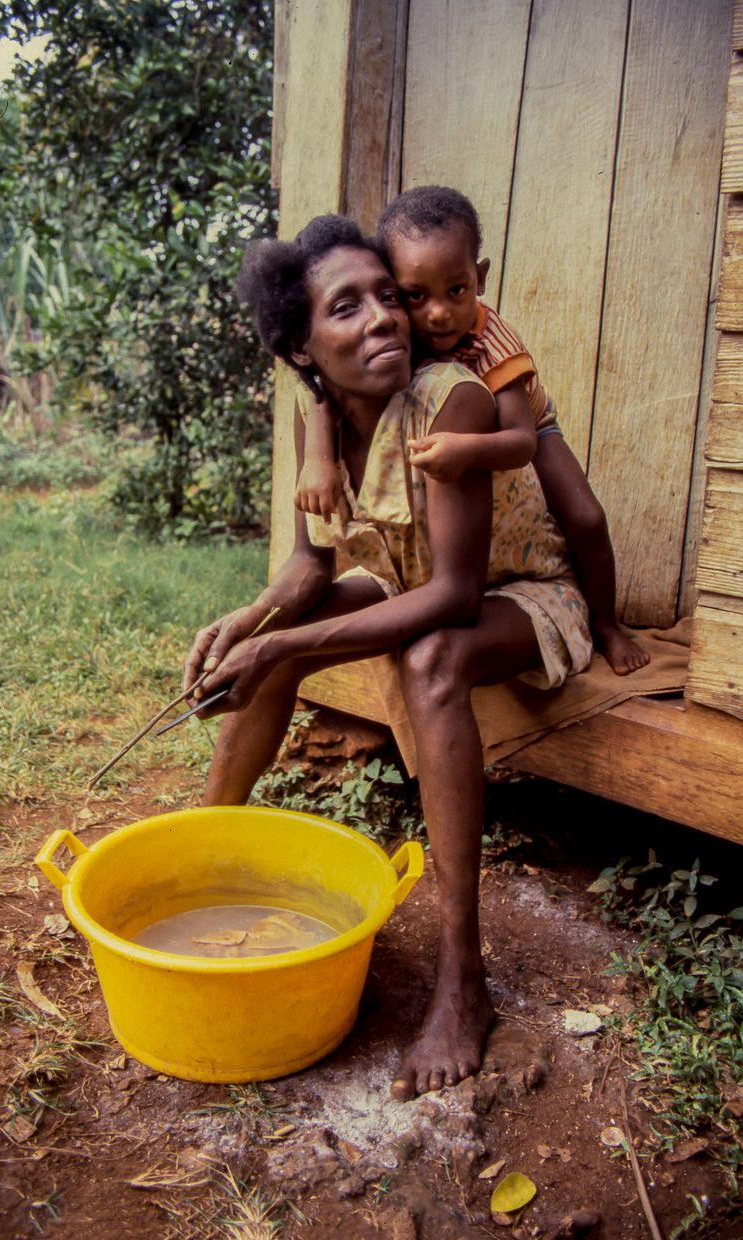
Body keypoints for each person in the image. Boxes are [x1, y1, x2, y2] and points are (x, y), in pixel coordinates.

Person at [184, 214, 592, 1100]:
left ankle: (463, 975)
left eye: (386, 296)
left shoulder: (454, 400)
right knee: (270, 646)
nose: (383, 318)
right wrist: (249, 622)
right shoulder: (322, 421)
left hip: (522, 595)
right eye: (347, 307)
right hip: (407, 583)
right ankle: (195, 857)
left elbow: (454, 597)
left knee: (429, 661)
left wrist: (285, 639)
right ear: (302, 347)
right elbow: (311, 568)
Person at [295, 185, 649, 676]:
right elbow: (321, 391)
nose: (438, 313)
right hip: (476, 433)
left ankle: (607, 624)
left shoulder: (492, 343)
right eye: (416, 295)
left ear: (479, 278)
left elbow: (521, 442)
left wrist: (464, 449)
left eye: (456, 290)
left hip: (527, 425)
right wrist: (317, 459)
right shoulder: (398, 326)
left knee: (585, 517)